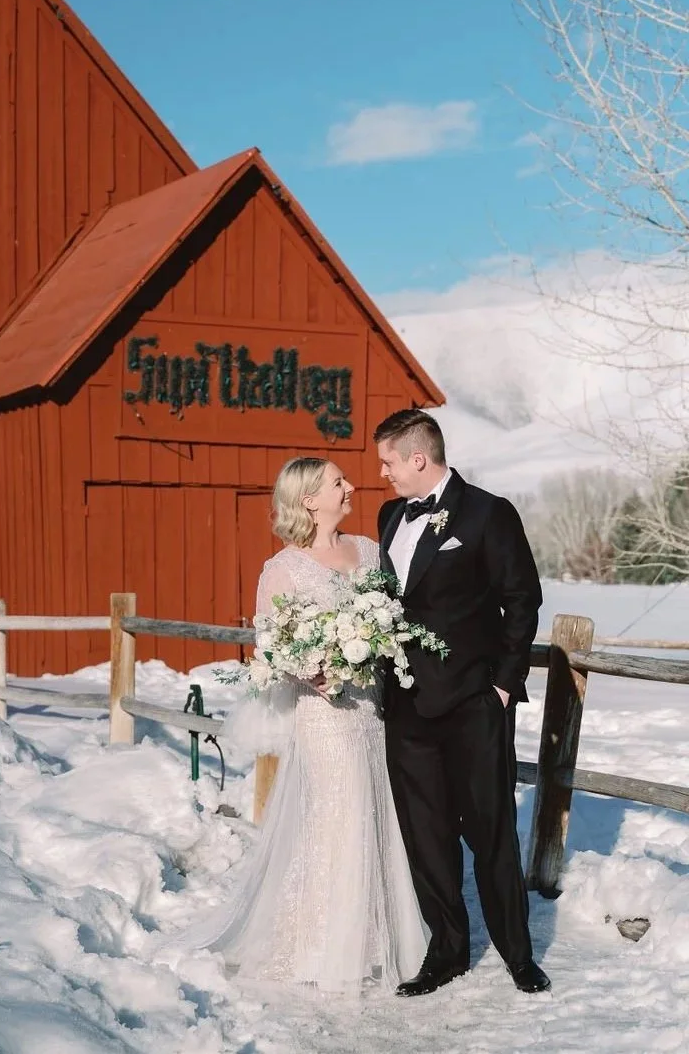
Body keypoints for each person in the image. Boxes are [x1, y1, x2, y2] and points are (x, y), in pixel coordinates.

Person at [165, 456, 428, 997]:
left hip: (373, 707)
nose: (350, 486)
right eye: (338, 482)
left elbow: (395, 618)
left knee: (377, 809)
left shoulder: (369, 552)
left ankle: (379, 938)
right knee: (338, 815)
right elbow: (274, 644)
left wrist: (378, 648)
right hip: (324, 712)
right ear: (309, 499)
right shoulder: (282, 568)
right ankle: (322, 944)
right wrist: (318, 671)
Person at [373, 408, 550, 997]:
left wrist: (502, 685)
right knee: (426, 837)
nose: (383, 474)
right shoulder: (389, 516)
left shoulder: (488, 513)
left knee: (491, 832)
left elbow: (522, 597)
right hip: (405, 709)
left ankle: (518, 955)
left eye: (389, 462)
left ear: (419, 458)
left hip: (474, 704)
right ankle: (447, 951)